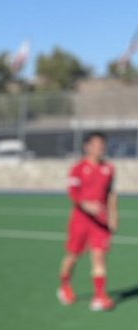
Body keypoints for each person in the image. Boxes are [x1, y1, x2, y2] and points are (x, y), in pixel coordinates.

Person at [58, 131, 117, 311]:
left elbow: (111, 194)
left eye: (102, 145)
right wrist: (86, 205)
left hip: (100, 222)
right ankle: (65, 285)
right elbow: (73, 192)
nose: (100, 148)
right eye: (97, 144)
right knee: (73, 256)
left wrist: (114, 216)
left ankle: (99, 297)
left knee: (99, 257)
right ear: (87, 147)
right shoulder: (78, 168)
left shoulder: (109, 169)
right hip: (80, 221)